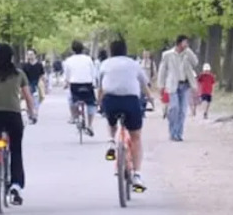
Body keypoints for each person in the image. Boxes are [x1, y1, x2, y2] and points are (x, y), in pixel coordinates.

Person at [0, 43, 37, 206]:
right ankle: (16, 186)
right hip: (13, 115)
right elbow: (28, 97)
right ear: (11, 57)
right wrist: (32, 113)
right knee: (16, 150)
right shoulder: (19, 74)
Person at [98, 39, 153, 191]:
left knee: (111, 121)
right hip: (130, 101)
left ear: (111, 51)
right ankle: (137, 174)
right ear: (125, 50)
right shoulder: (134, 64)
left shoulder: (105, 64)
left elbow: (101, 86)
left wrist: (99, 102)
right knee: (136, 137)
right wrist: (151, 100)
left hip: (111, 100)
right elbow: (144, 85)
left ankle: (111, 141)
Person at [157, 35, 198, 141]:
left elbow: (195, 63)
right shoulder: (167, 55)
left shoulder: (187, 54)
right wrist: (161, 85)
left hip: (185, 84)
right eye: (185, 42)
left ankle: (178, 134)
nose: (187, 44)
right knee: (174, 108)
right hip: (172, 85)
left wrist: (188, 50)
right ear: (179, 43)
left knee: (183, 111)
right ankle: (172, 131)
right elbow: (162, 71)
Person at [64, 40, 97, 135]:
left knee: (71, 99)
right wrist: (94, 82)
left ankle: (74, 116)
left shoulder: (68, 60)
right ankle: (90, 125)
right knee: (91, 103)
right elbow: (93, 72)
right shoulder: (88, 59)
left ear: (72, 50)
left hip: (75, 84)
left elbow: (67, 75)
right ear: (83, 49)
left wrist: (66, 83)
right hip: (88, 84)